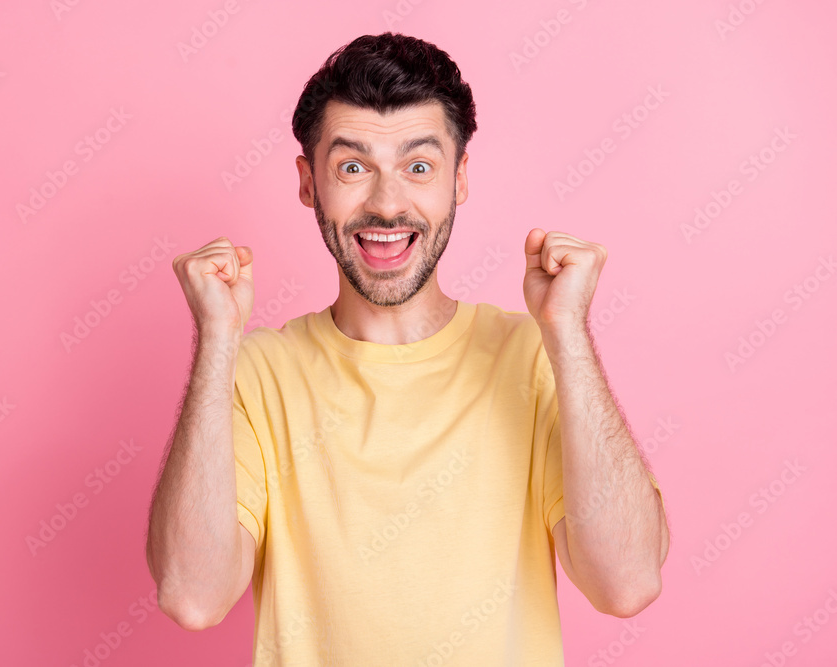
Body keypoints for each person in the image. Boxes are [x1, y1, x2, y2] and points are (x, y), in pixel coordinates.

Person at [146, 32, 670, 666]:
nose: (387, 204)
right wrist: (216, 342)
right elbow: (192, 597)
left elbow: (629, 582)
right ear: (309, 181)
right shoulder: (255, 374)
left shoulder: (533, 359)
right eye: (353, 167)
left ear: (459, 178)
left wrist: (568, 335)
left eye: (418, 166)